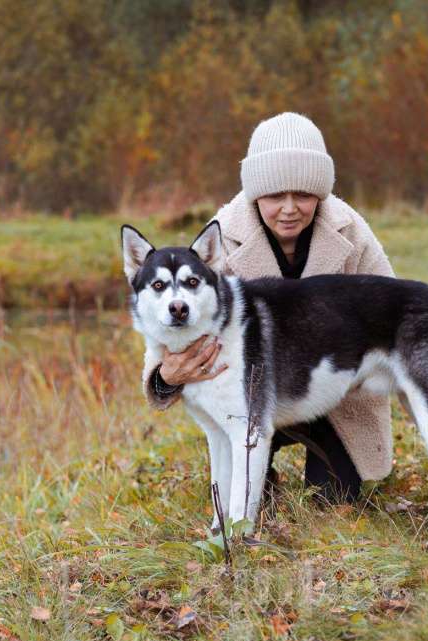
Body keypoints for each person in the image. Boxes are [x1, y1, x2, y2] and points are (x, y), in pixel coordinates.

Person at [142, 112, 395, 504]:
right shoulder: (218, 239)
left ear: (322, 193)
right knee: (254, 489)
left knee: (335, 500)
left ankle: (330, 463)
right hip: (251, 393)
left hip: (337, 392)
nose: (290, 208)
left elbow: (390, 306)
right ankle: (255, 484)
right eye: (276, 195)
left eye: (304, 194)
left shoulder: (351, 231)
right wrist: (164, 377)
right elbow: (167, 329)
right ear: (255, 194)